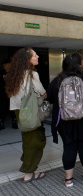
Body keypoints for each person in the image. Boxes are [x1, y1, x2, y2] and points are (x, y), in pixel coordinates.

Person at [47, 53, 83, 187]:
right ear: (80, 64)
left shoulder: (57, 80)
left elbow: (49, 97)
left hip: (64, 122)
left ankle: (68, 180)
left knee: (69, 148)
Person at [5, 48, 47, 182]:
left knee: (27, 139)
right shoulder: (31, 74)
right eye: (35, 55)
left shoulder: (15, 74)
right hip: (31, 111)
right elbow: (41, 91)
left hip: (19, 110)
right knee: (35, 141)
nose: (38, 56)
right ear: (27, 59)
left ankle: (29, 165)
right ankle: (28, 173)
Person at [0, 59, 17, 130]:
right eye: (4, 66)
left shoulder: (14, 73)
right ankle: (1, 122)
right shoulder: (1, 73)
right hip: (3, 93)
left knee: (12, 108)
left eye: (6, 66)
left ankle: (15, 122)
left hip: (12, 93)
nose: (5, 68)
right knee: (2, 108)